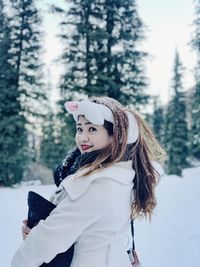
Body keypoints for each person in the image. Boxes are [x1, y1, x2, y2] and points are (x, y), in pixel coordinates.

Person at [11, 96, 166, 267]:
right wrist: (37, 230)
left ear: (116, 136)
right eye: (79, 129)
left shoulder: (98, 184)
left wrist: (23, 257)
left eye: (92, 129)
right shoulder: (122, 174)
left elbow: (49, 238)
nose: (82, 137)